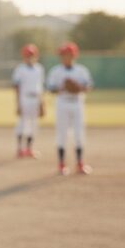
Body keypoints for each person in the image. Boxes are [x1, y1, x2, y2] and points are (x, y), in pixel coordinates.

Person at [47, 41, 94, 175]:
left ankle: (80, 163)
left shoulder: (81, 70)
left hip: (77, 103)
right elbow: (50, 88)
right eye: (63, 55)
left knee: (79, 134)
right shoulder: (56, 71)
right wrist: (61, 88)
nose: (65, 57)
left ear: (74, 55)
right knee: (62, 134)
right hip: (62, 103)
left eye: (67, 54)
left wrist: (79, 87)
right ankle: (61, 164)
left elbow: (89, 86)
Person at [11, 43, 45, 158]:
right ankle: (20, 149)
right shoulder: (20, 69)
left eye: (31, 55)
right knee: (22, 124)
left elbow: (40, 87)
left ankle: (29, 149)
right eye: (27, 55)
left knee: (33, 125)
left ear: (36, 56)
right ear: (24, 57)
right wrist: (18, 104)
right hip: (24, 98)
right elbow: (16, 87)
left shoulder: (39, 69)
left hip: (35, 98)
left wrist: (42, 103)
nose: (30, 57)